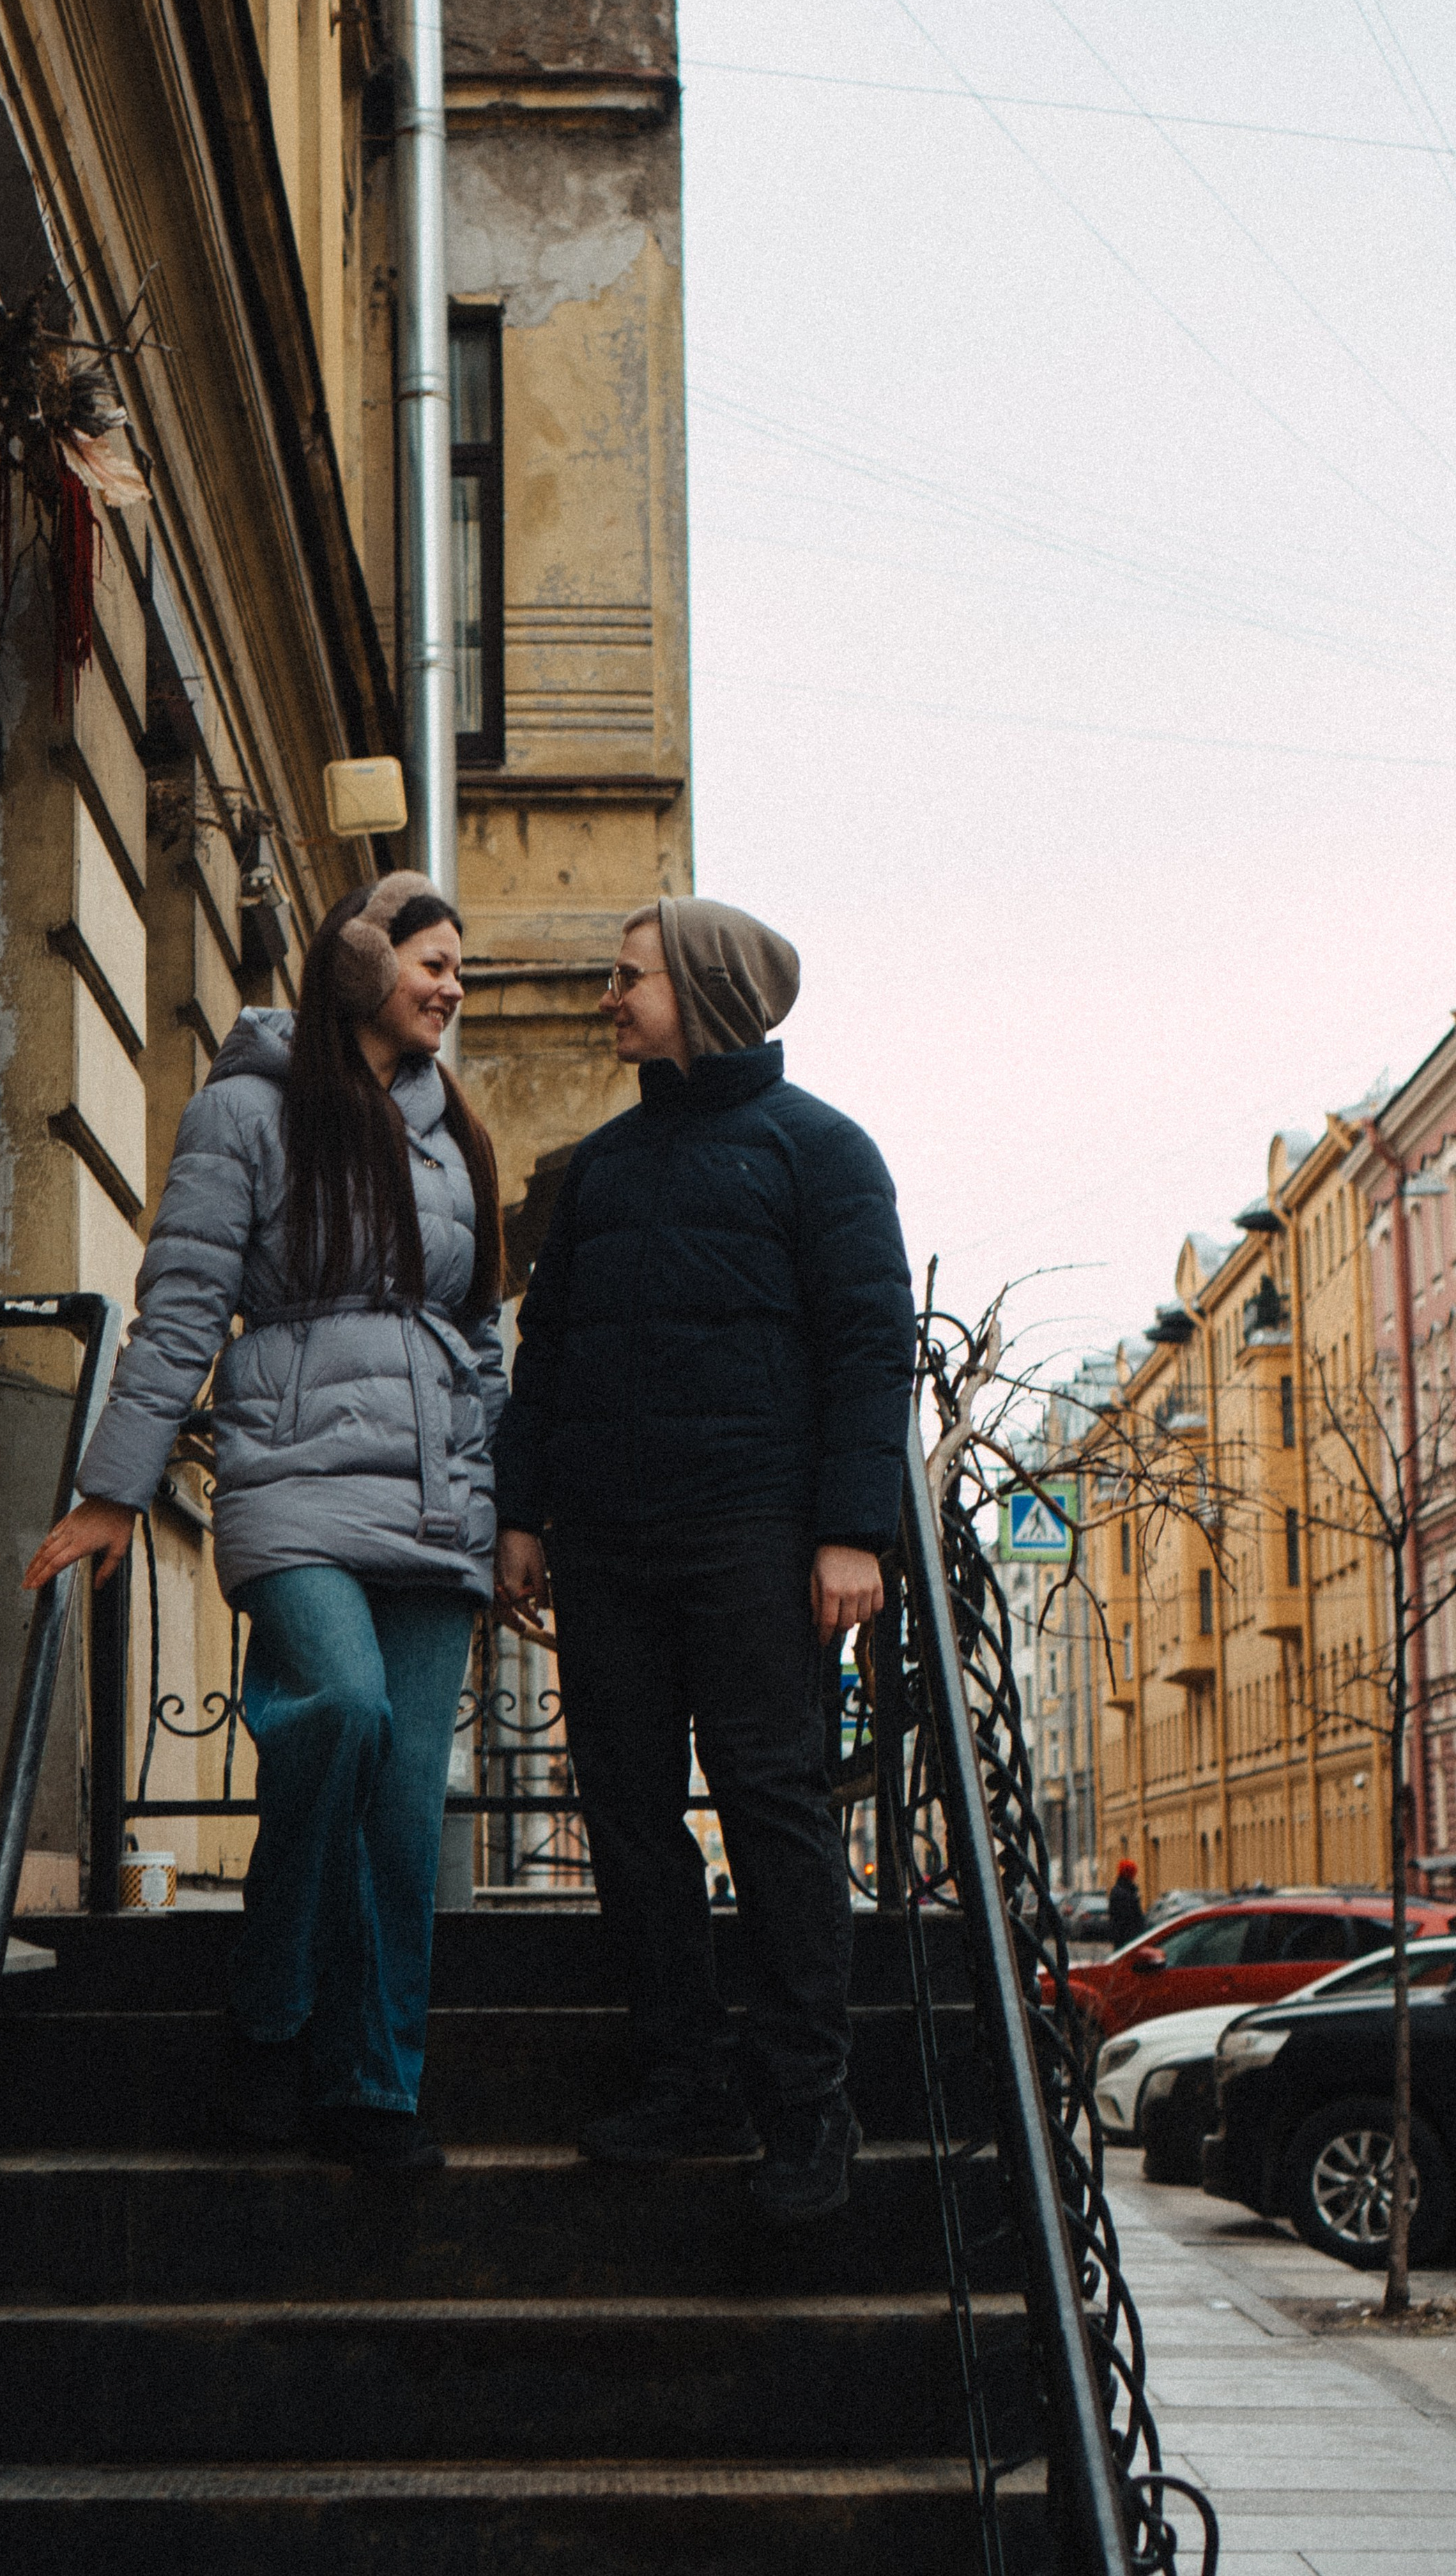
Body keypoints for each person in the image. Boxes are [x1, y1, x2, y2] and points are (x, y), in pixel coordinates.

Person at [23, 872, 505, 2167]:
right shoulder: (246, 1111)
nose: (453, 988)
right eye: (434, 963)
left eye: (460, 969)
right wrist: (115, 1488)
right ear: (363, 964)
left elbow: (481, 1336)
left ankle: (373, 2091)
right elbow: (183, 1304)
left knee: (402, 1811)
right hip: (293, 1481)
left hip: (434, 1503)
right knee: (339, 1709)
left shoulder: (455, 1131)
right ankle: (271, 2011)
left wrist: (507, 1511)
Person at [494, 897, 917, 2224]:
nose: (608, 998)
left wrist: (853, 1532)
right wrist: (522, 1512)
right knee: (627, 1814)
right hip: (608, 1547)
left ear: (704, 989)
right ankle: (685, 2079)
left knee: (772, 1808)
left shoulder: (823, 1152)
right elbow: (548, 1352)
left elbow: (870, 1348)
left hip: (754, 1540)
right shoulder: (601, 1168)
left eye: (630, 977)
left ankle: (808, 2108)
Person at [1108, 1859, 1147, 1949]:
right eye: (1133, 1873)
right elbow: (1128, 1917)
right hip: (1127, 1939)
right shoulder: (1124, 1892)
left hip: (1124, 1937)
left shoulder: (1121, 1890)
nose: (1134, 1876)